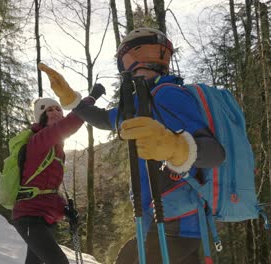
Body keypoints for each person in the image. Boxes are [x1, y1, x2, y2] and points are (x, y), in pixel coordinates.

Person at [38, 27, 225, 264]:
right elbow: (104, 119)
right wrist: (71, 99)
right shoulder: (140, 101)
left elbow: (215, 154)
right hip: (162, 223)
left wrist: (174, 147)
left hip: (175, 224)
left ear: (130, 59)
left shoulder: (168, 95)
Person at [12, 87, 104, 264]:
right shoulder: (39, 140)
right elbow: (69, 124)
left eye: (57, 109)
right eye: (48, 110)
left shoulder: (57, 148)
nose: (54, 112)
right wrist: (91, 98)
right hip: (29, 217)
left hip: (42, 218)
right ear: (41, 117)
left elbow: (48, 188)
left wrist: (65, 209)